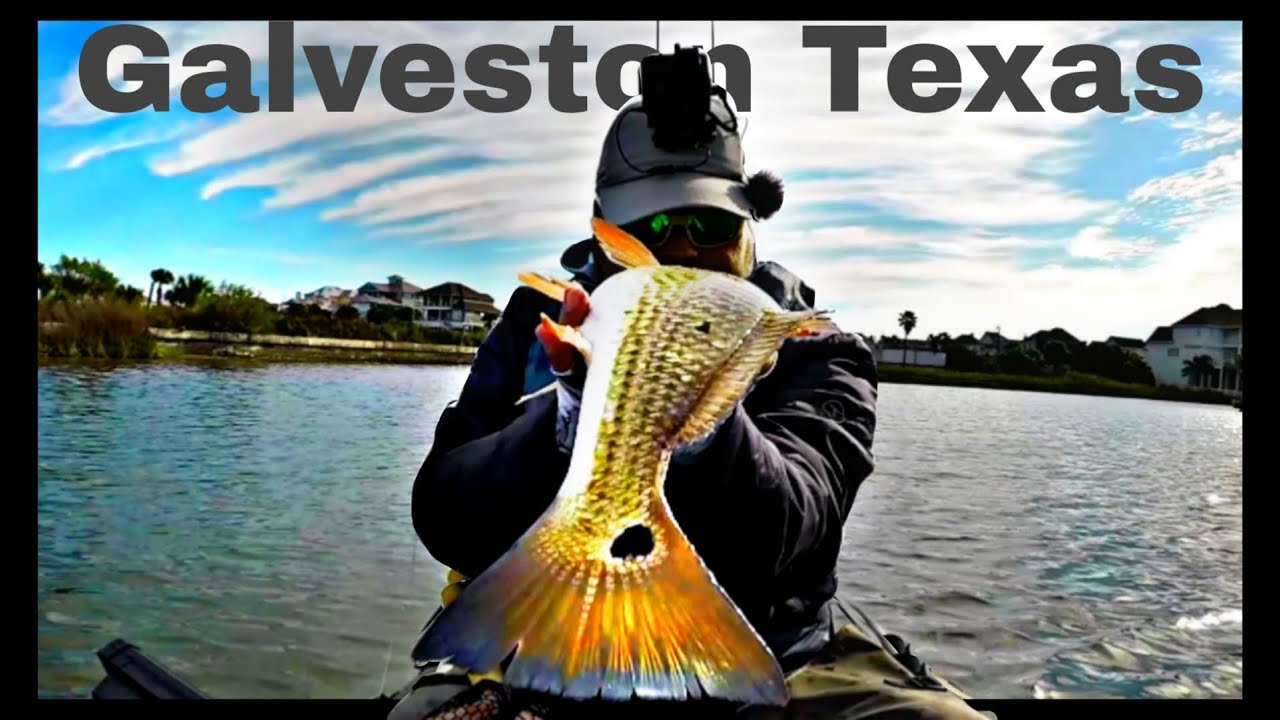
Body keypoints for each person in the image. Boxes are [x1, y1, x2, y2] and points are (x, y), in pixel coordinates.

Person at [387, 66, 988, 720]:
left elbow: (798, 529)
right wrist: (570, 417)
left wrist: (705, 424)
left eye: (709, 226)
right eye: (649, 228)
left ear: (750, 229)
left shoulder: (814, 345)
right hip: (540, 654)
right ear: (602, 233)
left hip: (772, 660)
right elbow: (444, 517)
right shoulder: (537, 322)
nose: (682, 250)